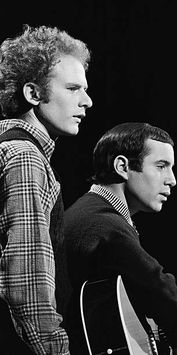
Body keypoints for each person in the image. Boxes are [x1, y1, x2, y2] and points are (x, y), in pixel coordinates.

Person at [64, 122, 177, 355]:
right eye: (161, 166)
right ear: (122, 166)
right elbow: (156, 282)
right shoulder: (103, 223)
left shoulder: (94, 212)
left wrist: (165, 329)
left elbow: (113, 311)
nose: (172, 180)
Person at [0, 24, 92, 354]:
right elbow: (26, 286)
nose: (88, 101)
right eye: (73, 88)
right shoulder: (25, 158)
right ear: (34, 94)